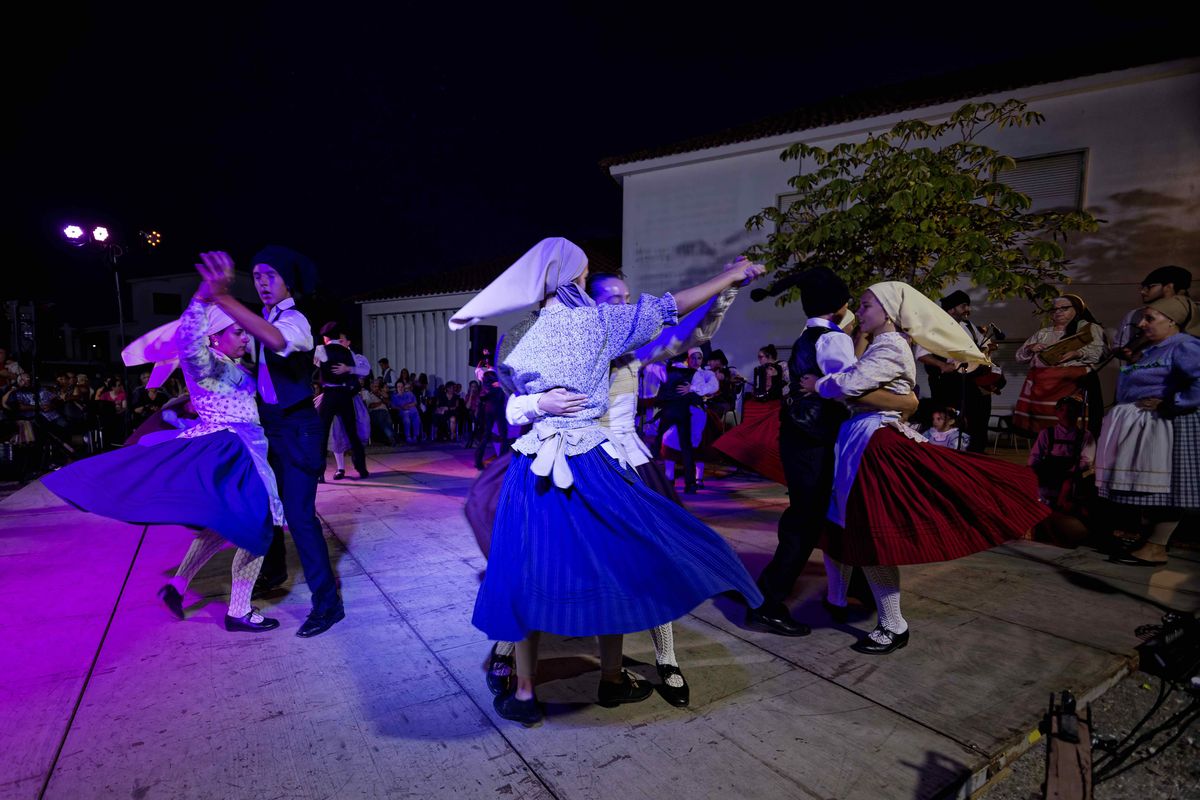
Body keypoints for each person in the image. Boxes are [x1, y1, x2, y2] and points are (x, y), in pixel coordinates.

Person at [449, 237, 766, 727]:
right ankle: (611, 677)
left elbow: (512, 399)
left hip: (532, 464)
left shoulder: (517, 336)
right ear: (576, 282)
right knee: (614, 564)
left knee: (530, 571)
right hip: (590, 460)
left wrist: (537, 404)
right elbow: (672, 305)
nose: (617, 300)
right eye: (586, 278)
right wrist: (729, 276)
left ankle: (529, 692)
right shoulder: (601, 324)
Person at [800, 282, 1050, 654]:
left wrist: (819, 383)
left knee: (871, 534)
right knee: (842, 525)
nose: (859, 311)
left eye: (866, 305)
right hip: (857, 439)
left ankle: (893, 624)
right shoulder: (879, 344)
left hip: (873, 441)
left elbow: (852, 384)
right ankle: (839, 600)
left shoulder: (892, 346)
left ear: (888, 312)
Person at [43, 293, 283, 632]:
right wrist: (200, 299)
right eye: (239, 332)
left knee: (223, 526)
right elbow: (189, 343)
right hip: (231, 453)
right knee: (257, 528)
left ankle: (177, 586)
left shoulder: (232, 365)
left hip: (245, 450)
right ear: (215, 337)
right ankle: (239, 611)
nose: (246, 338)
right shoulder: (206, 362)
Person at [746, 268, 918, 637]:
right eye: (853, 302)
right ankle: (768, 604)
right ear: (839, 306)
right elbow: (848, 388)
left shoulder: (808, 335)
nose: (857, 309)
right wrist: (906, 401)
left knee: (815, 517)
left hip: (800, 435)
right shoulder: (834, 338)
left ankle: (832, 590)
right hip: (815, 439)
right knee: (807, 521)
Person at [194, 248, 345, 638]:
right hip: (269, 428)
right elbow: (251, 361)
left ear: (288, 282)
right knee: (266, 511)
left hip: (296, 429)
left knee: (300, 517)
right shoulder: (263, 320)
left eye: (270, 275)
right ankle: (275, 572)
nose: (262, 282)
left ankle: (328, 604)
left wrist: (222, 296)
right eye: (257, 275)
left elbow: (277, 341)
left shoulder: (294, 321)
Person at [1097, 297, 1198, 566]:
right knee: (1147, 488)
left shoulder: (1185, 346)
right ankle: (1148, 541)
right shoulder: (1153, 348)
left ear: (1172, 321)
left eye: (1150, 318)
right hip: (1144, 423)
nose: (1141, 324)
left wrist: (1171, 403)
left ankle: (1157, 545)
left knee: (1167, 488)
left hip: (1168, 423)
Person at [915, 291, 1001, 452]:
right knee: (953, 418)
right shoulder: (934, 327)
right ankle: (952, 453)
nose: (968, 309)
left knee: (980, 415)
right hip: (946, 382)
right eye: (964, 306)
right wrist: (942, 365)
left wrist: (987, 350)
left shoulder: (969, 326)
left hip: (971, 380)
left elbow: (984, 345)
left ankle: (976, 453)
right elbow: (921, 354)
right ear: (951, 309)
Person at [1014, 294, 1108, 437]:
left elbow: (1102, 352)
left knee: (1072, 428)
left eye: (1064, 308)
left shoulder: (1088, 329)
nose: (1058, 312)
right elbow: (1019, 357)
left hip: (1072, 384)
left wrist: (1078, 353)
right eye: (1054, 309)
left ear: (1077, 309)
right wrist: (1030, 348)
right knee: (1045, 433)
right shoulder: (1043, 333)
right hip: (1042, 389)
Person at [314, 322, 370, 481]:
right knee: (352, 433)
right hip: (345, 395)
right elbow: (358, 369)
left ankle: (320, 473)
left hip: (330, 395)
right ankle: (361, 469)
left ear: (326, 338)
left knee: (323, 433)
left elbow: (317, 364)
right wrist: (347, 369)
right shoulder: (348, 352)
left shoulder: (321, 349)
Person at [1113, 266, 1198, 361]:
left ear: (1169, 287)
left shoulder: (1195, 312)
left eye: (1150, 286)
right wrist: (1129, 353)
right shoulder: (1134, 314)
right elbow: (1119, 346)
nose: (1143, 291)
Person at [1028, 396, 1095, 509]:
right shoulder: (1046, 433)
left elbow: (1086, 460)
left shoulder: (1085, 435)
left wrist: (1071, 473)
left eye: (1070, 410)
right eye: (1062, 410)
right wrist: (1031, 470)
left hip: (1072, 472)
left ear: (1078, 413)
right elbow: (1035, 456)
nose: (1065, 414)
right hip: (1049, 470)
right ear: (1056, 413)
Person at [473, 371, 507, 469]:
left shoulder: (486, 385)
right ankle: (502, 462)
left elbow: (482, 397)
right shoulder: (497, 385)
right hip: (497, 409)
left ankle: (478, 461)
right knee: (503, 436)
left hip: (489, 409)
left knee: (486, 435)